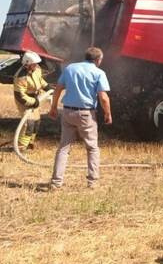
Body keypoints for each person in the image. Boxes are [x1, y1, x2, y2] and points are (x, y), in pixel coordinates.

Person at [49, 47, 112, 189]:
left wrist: (53, 108)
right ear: (98, 60)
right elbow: (103, 97)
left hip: (67, 112)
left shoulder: (70, 68)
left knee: (63, 148)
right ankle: (92, 182)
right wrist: (108, 114)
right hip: (86, 114)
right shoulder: (99, 73)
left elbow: (58, 88)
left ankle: (56, 183)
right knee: (92, 148)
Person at [13, 51, 52, 150]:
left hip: (35, 98)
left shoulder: (37, 69)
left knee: (36, 122)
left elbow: (40, 80)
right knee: (29, 123)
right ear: (27, 64)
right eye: (34, 64)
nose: (36, 65)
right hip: (24, 101)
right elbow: (20, 96)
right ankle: (21, 147)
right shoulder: (20, 77)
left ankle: (30, 143)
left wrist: (47, 87)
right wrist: (33, 102)